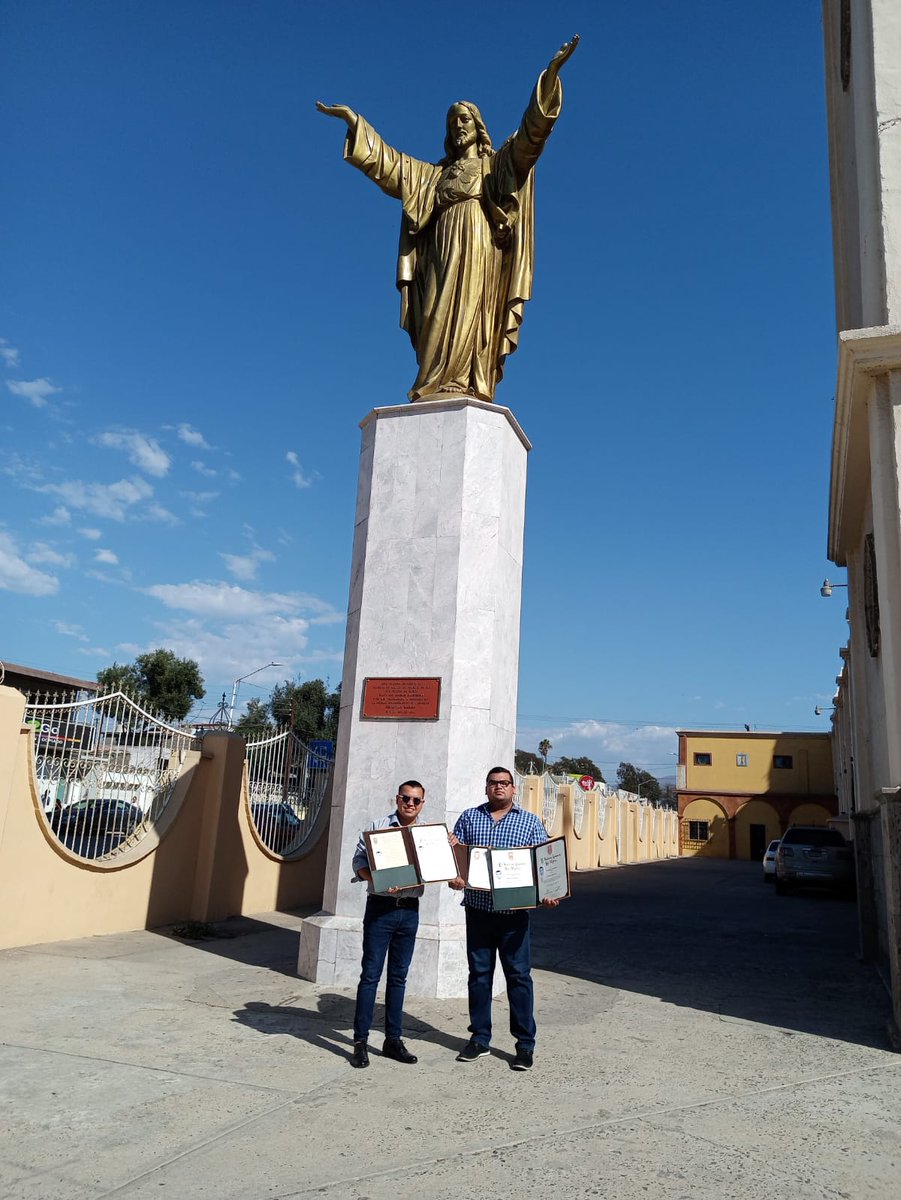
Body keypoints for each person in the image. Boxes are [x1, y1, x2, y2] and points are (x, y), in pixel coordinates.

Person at [316, 35, 579, 403]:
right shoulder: (432, 176)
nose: (458, 126)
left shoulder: (495, 165)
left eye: (465, 119)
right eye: (453, 121)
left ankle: (464, 379)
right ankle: (434, 379)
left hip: (476, 243)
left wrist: (550, 76)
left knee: (468, 312)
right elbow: (390, 165)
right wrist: (356, 123)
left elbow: (531, 138)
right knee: (436, 315)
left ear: (478, 125)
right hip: (440, 248)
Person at [449, 766, 559, 1071]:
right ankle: (479, 1039)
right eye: (493, 783)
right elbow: (454, 856)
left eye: (505, 783)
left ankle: (525, 1045)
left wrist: (549, 892)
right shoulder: (470, 818)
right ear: (486, 788)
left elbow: (545, 860)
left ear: (513, 789)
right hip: (479, 910)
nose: (499, 787)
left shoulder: (530, 822)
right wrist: (454, 877)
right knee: (479, 976)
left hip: (514, 915)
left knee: (519, 978)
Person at [349, 780, 427, 1068]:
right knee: (370, 975)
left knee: (398, 977)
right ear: (397, 799)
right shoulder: (378, 827)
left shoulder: (428, 834)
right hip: (381, 909)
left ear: (422, 803)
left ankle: (393, 1039)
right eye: (406, 798)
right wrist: (377, 879)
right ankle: (360, 1041)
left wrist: (448, 851)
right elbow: (358, 859)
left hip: (409, 911)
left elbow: (438, 866)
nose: (410, 803)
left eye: (416, 800)